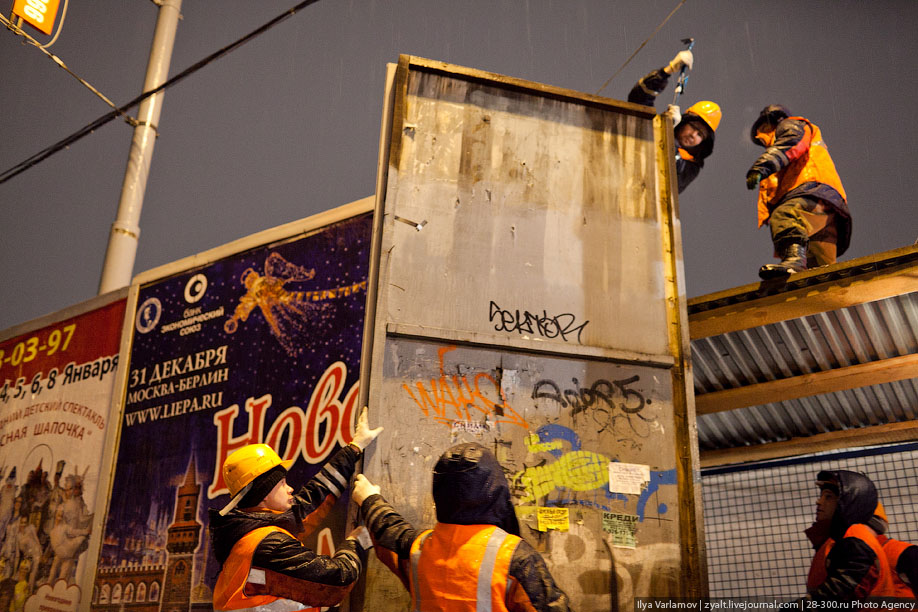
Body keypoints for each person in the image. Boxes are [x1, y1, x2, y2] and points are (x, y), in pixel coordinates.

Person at [352, 442, 572, 611]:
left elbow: (388, 529)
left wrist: (369, 498)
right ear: (496, 490)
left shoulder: (419, 548)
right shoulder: (515, 556)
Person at [209, 407, 383, 611]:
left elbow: (312, 499)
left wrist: (354, 448)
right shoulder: (270, 545)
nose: (290, 488)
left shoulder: (247, 535)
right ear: (264, 493)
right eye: (282, 483)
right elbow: (336, 581)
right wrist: (356, 543)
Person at [746, 105, 852, 279]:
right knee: (820, 266)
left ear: (775, 120)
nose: (761, 135)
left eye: (764, 128)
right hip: (827, 202)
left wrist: (762, 166)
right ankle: (826, 288)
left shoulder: (790, 125)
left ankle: (794, 262)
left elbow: (790, 142)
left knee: (786, 214)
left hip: (811, 189)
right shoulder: (792, 139)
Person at [627, 50, 721, 193]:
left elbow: (671, 171)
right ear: (684, 123)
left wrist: (666, 132)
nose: (693, 135)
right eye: (693, 127)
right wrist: (667, 71)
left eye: (700, 134)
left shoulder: (691, 167)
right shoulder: (653, 129)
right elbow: (637, 101)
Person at [802, 470, 901, 601]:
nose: (819, 502)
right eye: (822, 496)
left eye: (828, 497)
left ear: (847, 502)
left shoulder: (856, 541)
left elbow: (844, 592)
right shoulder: (845, 539)